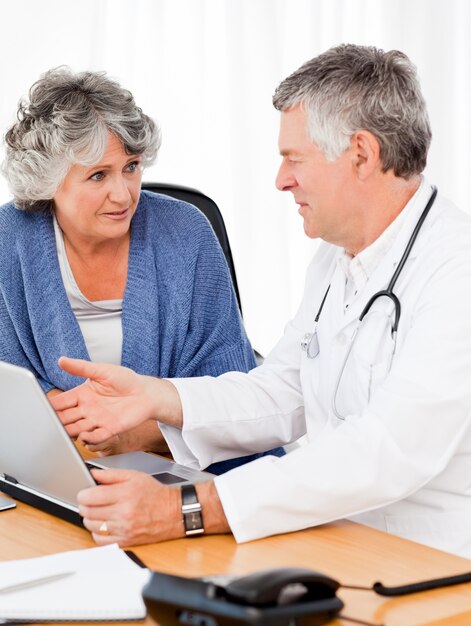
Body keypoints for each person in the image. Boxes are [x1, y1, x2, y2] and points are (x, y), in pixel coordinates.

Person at [52, 44, 471, 557]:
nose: (281, 180)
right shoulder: (336, 259)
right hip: (339, 543)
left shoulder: (456, 271)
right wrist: (157, 397)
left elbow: (386, 451)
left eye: (294, 159)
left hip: (435, 564)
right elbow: (283, 391)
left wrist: (185, 509)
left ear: (362, 153)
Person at [0, 66, 283, 473]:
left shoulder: (186, 231)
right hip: (49, 464)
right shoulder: (10, 237)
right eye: (98, 175)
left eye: (131, 167)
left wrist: (137, 430)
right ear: (47, 182)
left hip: (191, 467)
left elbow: (230, 385)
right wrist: (58, 423)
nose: (123, 194)